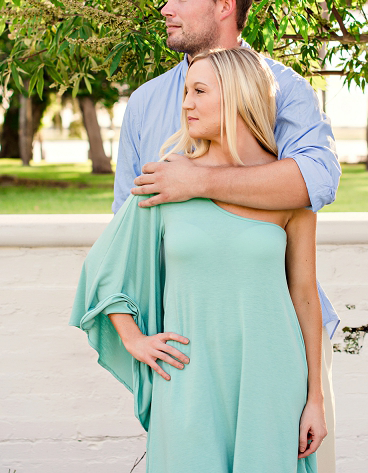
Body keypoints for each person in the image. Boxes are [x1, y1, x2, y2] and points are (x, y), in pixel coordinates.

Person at [112, 0, 342, 469]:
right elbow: (125, 232)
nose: (165, 8)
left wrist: (198, 180)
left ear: (225, 6)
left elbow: (318, 180)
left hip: (277, 352)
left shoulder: (284, 90)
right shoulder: (147, 103)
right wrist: (135, 336)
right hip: (190, 357)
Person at [72, 47, 325, 471]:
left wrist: (314, 398)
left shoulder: (288, 191)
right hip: (187, 377)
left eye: (199, 91)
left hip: (270, 378)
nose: (186, 102)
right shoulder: (165, 180)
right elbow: (105, 271)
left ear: (238, 96)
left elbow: (304, 297)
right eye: (186, 91)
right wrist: (134, 339)